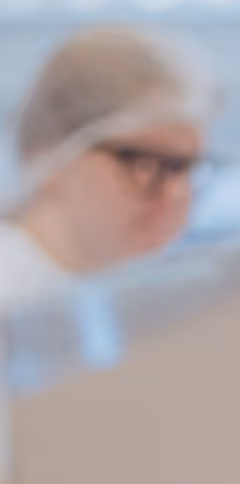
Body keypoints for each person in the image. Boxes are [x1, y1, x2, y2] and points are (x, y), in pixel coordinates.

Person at [0, 25, 215, 303]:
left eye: (185, 167)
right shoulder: (12, 296)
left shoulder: (111, 294)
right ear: (52, 158)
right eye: (145, 164)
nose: (177, 193)